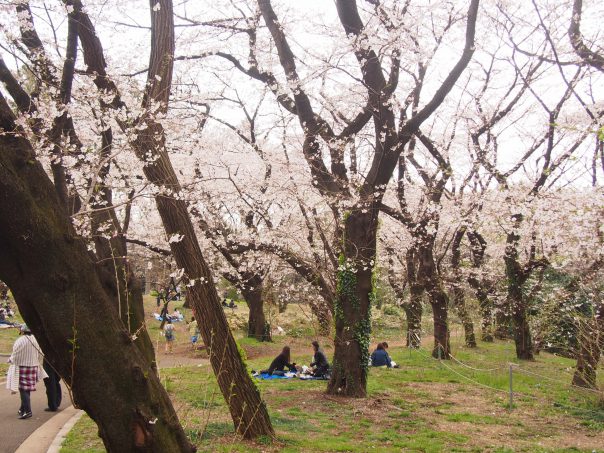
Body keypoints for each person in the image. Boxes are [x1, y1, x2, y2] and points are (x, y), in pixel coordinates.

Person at [6, 324, 47, 419]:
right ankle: (22, 409)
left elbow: (15, 354)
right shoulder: (35, 339)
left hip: (22, 367)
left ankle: (28, 411)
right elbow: (40, 353)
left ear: (22, 331)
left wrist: (10, 360)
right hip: (33, 366)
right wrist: (39, 363)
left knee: (23, 389)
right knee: (26, 388)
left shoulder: (20, 340)